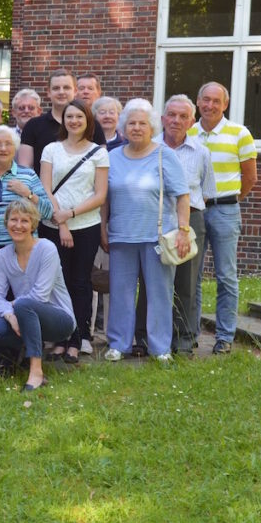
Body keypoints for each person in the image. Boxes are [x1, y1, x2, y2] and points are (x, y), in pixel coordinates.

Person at [101, 99, 191, 363]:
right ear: (123, 127)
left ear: (152, 126)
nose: (137, 128)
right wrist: (103, 230)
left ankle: (160, 348)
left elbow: (183, 196)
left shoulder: (165, 155)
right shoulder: (112, 156)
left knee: (159, 294)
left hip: (157, 237)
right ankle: (118, 344)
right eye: (131, 123)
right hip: (121, 236)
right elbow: (104, 198)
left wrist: (184, 230)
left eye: (142, 123)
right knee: (120, 294)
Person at [0, 126, 53, 378]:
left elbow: (48, 212)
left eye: (8, 144)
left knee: (22, 303)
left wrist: (27, 194)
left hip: (23, 251)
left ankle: (21, 358)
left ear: (14, 148)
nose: (3, 148)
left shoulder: (27, 176)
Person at [134, 95, 215, 356]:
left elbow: (207, 191)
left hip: (189, 219)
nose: (176, 121)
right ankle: (145, 338)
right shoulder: (148, 147)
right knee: (150, 280)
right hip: (153, 218)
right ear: (162, 118)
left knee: (186, 282)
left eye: (183, 116)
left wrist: (186, 225)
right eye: (171, 115)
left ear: (192, 121)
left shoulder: (201, 152)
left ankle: (182, 340)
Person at [189, 81, 257, 355]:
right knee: (190, 276)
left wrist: (228, 200)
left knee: (226, 275)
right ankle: (189, 333)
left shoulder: (239, 133)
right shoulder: (188, 132)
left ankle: (225, 336)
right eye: (206, 99)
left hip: (225, 210)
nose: (210, 105)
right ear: (197, 101)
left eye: (216, 101)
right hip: (194, 211)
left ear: (225, 104)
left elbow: (250, 178)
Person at [39, 102, 108, 363]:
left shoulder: (98, 153)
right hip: (53, 225)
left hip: (86, 226)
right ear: (63, 120)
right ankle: (59, 337)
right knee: (58, 282)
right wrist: (62, 222)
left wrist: (70, 215)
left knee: (80, 282)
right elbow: (45, 188)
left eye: (79, 116)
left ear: (87, 120)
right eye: (70, 116)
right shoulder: (51, 150)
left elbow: (100, 194)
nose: (74, 120)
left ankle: (77, 339)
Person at [0, 199, 76, 391]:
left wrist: (15, 308)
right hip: (23, 314)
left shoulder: (46, 248)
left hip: (59, 320)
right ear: (6, 223)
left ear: (33, 224)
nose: (18, 225)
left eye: (25, 221)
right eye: (13, 220)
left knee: (25, 304)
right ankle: (25, 354)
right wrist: (10, 315)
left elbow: (40, 296)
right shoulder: (2, 255)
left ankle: (36, 372)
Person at [18, 70, 106, 168]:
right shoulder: (33, 126)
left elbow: (101, 165)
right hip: (40, 183)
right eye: (56, 88)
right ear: (48, 92)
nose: (61, 92)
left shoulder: (93, 125)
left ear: (75, 91)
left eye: (66, 88)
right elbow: (24, 168)